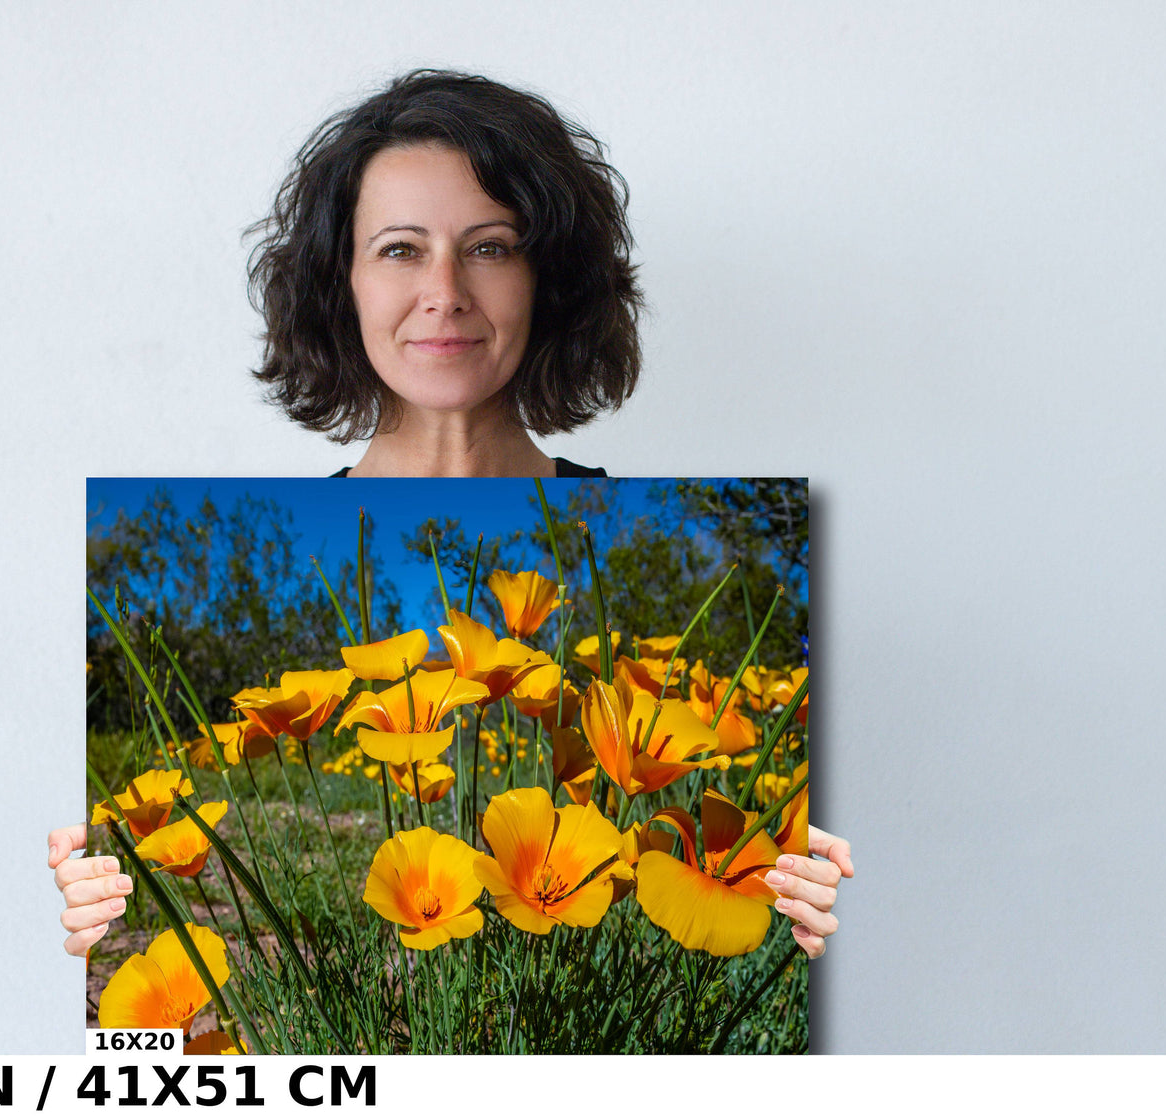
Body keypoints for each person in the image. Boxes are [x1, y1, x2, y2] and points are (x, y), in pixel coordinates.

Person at [53, 69, 852, 962]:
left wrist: (821, 919)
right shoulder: (320, 538)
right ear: (340, 283)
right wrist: (77, 930)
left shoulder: (598, 522)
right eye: (399, 249)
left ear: (547, 281)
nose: (445, 291)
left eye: (490, 246)